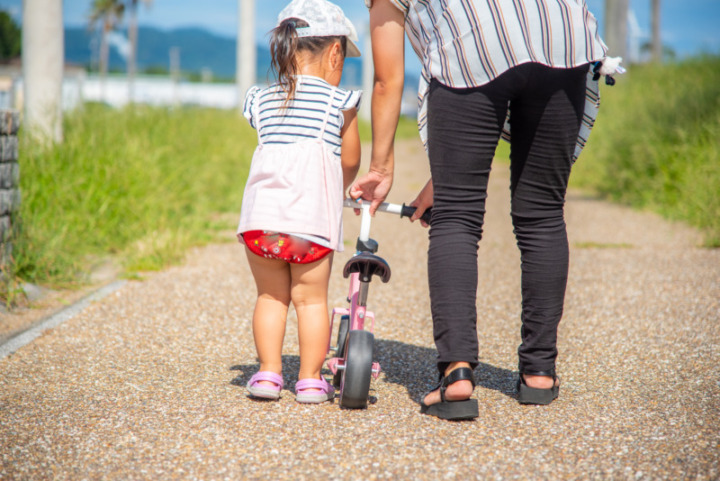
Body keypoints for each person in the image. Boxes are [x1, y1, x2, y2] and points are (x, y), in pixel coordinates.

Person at [351, 0, 621, 419]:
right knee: (543, 213)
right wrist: (442, 175)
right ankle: (539, 372)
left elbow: (388, 79)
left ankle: (456, 374)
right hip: (563, 38)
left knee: (456, 217)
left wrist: (380, 166)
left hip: (474, 42)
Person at [237, 0, 362, 404]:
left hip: (262, 222)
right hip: (310, 223)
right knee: (310, 302)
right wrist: (338, 186)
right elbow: (351, 159)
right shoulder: (339, 101)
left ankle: (269, 375)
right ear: (335, 53)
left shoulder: (260, 97)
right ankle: (309, 379)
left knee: (270, 297)